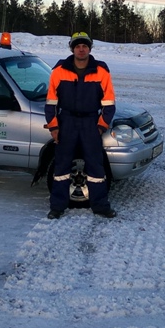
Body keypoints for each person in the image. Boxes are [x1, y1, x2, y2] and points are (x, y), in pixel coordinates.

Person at [45, 32, 117, 219]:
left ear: (90, 48)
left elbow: (109, 104)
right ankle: (57, 206)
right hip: (66, 122)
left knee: (96, 167)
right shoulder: (59, 71)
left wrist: (100, 127)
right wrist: (54, 127)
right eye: (77, 46)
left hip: (90, 123)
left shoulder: (101, 71)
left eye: (85, 45)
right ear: (72, 49)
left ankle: (100, 206)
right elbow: (51, 103)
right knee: (61, 167)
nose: (81, 49)